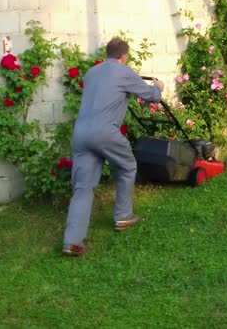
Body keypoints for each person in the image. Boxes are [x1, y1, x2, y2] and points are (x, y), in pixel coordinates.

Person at [62, 37, 164, 257]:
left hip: (81, 134)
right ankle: (123, 216)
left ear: (106, 54)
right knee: (127, 166)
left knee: (83, 187)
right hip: (105, 132)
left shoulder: (91, 73)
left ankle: (72, 242)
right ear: (124, 57)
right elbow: (151, 96)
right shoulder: (124, 72)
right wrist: (158, 87)